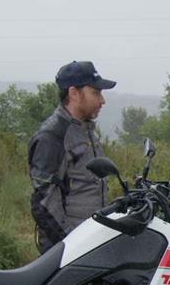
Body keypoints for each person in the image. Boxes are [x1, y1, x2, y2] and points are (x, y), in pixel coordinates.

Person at [27, 61, 116, 253]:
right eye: (96, 92)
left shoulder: (85, 129)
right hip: (70, 249)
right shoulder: (52, 136)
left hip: (90, 240)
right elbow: (43, 202)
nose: (102, 100)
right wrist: (70, 244)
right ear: (74, 93)